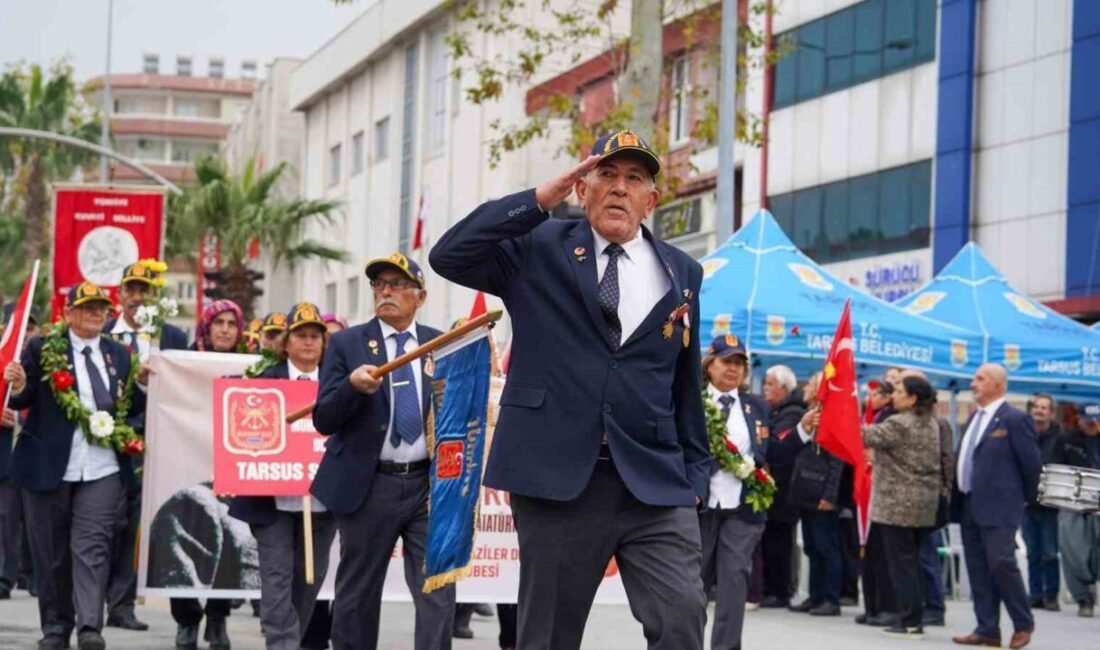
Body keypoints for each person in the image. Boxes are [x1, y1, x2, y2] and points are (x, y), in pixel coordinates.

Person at [431, 129, 709, 649]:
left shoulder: (683, 271)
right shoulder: (539, 246)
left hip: (654, 478)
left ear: (651, 198)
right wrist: (537, 202)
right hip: (557, 479)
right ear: (583, 188)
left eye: (634, 178)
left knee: (682, 619)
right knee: (550, 636)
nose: (619, 188)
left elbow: (683, 376)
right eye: (606, 174)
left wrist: (696, 473)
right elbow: (448, 255)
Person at [312, 252, 453, 650]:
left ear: (420, 297)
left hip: (427, 484)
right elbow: (324, 418)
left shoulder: (438, 343)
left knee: (437, 588)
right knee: (358, 590)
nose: (386, 292)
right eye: (380, 285)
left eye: (397, 285)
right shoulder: (346, 343)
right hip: (369, 483)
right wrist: (352, 389)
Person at [3, 282, 145, 650]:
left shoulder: (121, 355)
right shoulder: (42, 349)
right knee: (50, 553)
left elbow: (130, 408)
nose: (96, 313)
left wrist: (147, 387)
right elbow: (23, 399)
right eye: (87, 308)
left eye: (101, 307)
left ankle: (89, 627)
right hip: (48, 467)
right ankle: (55, 626)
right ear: (69, 314)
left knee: (93, 547)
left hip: (102, 468)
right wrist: (17, 386)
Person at [228, 302, 338, 650]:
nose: (308, 342)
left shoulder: (338, 387)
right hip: (270, 501)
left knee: (311, 579)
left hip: (323, 502)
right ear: (286, 343)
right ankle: (281, 643)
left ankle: (290, 639)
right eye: (300, 335)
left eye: (314, 336)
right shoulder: (262, 384)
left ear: (323, 343)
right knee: (276, 577)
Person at [102, 261, 189, 632]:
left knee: (136, 525)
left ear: (154, 296)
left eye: (144, 290)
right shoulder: (103, 333)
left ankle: (121, 604)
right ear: (119, 294)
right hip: (106, 440)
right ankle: (91, 598)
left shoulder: (171, 336)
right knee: (105, 521)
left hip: (157, 441)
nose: (137, 297)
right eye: (131, 289)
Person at [170, 299, 248, 650]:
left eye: (232, 324)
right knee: (185, 538)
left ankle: (218, 617)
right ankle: (186, 621)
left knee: (227, 540)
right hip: (188, 461)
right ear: (206, 326)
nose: (226, 330)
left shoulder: (253, 364)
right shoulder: (181, 362)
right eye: (219, 323)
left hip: (232, 464)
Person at [951, 364, 1040, 649]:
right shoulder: (974, 418)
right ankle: (987, 628)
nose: (973, 383)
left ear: (998, 385)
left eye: (980, 379)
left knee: (1001, 562)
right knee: (977, 568)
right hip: (969, 504)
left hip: (1001, 506)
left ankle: (1023, 621)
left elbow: (1031, 465)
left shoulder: (1014, 419)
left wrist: (1023, 501)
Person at [699, 335, 770, 649]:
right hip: (698, 508)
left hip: (741, 511)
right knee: (691, 588)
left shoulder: (757, 406)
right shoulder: (692, 401)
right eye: (726, 361)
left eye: (739, 363)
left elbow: (771, 453)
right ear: (709, 364)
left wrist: (804, 431)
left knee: (733, 584)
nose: (733, 369)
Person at [861, 375, 942, 639]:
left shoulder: (899, 422)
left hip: (897, 505)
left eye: (898, 391)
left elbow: (864, 436)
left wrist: (843, 412)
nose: (893, 395)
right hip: (923, 504)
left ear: (912, 397)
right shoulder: (931, 423)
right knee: (913, 562)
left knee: (901, 564)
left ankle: (908, 619)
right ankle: (913, 616)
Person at [789, 372, 844, 617]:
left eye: (811, 384)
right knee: (812, 546)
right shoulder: (810, 414)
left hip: (822, 492)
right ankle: (815, 595)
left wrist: (830, 495)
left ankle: (831, 598)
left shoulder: (832, 417)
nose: (807, 387)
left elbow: (836, 462)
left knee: (827, 547)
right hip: (806, 491)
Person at [757, 365, 805, 610]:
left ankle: (781, 590)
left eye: (770, 384)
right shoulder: (777, 411)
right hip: (775, 489)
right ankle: (771, 588)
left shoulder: (793, 413)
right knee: (771, 541)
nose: (765, 389)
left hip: (785, 489)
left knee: (781, 543)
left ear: (784, 388)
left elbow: (778, 447)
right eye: (764, 384)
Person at [0, 302, 38, 601]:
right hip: (7, 450)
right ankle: (5, 576)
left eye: (32, 326)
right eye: (21, 326)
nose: (27, 333)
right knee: (7, 516)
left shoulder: (44, 358)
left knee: (35, 517)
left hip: (39, 449)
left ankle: (33, 574)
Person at [1050, 402, 1100, 618]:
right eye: (1089, 421)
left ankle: (1092, 588)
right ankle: (1083, 598)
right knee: (1074, 553)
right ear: (1078, 419)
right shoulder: (1065, 441)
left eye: (1096, 421)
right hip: (1073, 505)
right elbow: (1054, 470)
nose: (1093, 425)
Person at [856, 378, 897, 627]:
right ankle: (871, 605)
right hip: (863, 489)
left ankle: (887, 606)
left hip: (882, 491)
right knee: (867, 553)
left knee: (883, 554)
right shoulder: (867, 415)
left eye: (875, 393)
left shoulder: (890, 418)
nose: (869, 396)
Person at [1021, 393, 1062, 611]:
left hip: (1050, 506)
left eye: (1044, 408)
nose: (1039, 411)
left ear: (1051, 414)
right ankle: (1035, 594)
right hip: (1026, 504)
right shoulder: (1023, 435)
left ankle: (1051, 595)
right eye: (1036, 407)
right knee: (1032, 553)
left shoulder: (1059, 440)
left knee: (1049, 553)